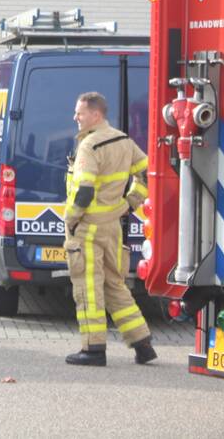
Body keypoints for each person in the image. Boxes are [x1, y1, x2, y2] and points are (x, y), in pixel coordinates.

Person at [63, 91, 157, 367]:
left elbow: (84, 190)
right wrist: (131, 202)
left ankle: (93, 349)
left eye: (79, 113)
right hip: (113, 227)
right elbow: (146, 172)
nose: (75, 118)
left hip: (88, 228)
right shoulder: (123, 140)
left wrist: (71, 219)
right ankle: (142, 343)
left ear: (95, 114)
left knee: (88, 288)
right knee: (116, 285)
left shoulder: (89, 145)